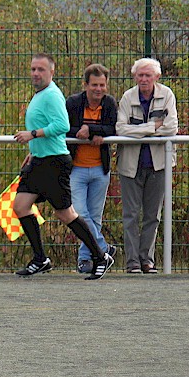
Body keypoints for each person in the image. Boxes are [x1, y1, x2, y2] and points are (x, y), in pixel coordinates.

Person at [12, 53, 114, 280]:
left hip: (54, 162)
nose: (36, 73)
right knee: (20, 206)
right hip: (39, 160)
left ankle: (100, 256)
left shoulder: (52, 95)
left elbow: (62, 125)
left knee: (66, 213)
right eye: (33, 69)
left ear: (51, 72)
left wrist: (33, 135)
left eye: (41, 69)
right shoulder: (39, 95)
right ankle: (41, 259)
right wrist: (33, 151)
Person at [115, 58, 178, 274]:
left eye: (147, 75)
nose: (143, 79)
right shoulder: (127, 97)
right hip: (130, 165)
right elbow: (121, 129)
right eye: (140, 75)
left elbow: (171, 128)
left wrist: (140, 129)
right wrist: (153, 127)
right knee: (130, 215)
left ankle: (147, 260)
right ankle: (132, 261)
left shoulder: (167, 95)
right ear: (134, 77)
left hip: (159, 164)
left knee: (153, 215)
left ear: (156, 77)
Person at [66, 63, 118, 273]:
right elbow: (65, 127)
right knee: (79, 214)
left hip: (100, 169)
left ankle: (86, 259)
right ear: (85, 85)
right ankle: (104, 249)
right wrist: (84, 131)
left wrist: (95, 130)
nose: (98, 89)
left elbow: (114, 127)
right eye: (94, 85)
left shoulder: (109, 104)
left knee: (95, 216)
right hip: (76, 168)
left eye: (102, 85)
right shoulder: (73, 103)